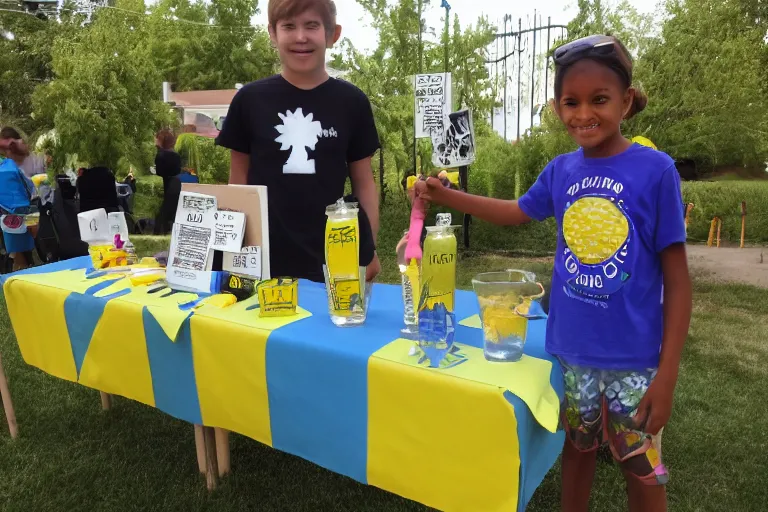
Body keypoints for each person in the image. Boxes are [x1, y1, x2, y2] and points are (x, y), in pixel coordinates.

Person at [414, 35, 692, 512]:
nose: (584, 113)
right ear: (557, 106)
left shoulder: (656, 170)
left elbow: (679, 282)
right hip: (572, 351)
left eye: (599, 100)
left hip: (636, 358)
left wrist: (666, 375)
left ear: (625, 101)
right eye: (571, 102)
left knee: (640, 464)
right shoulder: (561, 170)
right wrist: (446, 197)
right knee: (578, 449)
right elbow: (515, 211)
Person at [215, 0, 381, 283]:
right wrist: (236, 254)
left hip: (333, 263)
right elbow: (238, 181)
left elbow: (364, 182)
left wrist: (368, 250)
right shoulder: (249, 100)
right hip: (264, 265)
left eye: (312, 25)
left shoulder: (352, 103)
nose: (300, 36)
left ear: (332, 34)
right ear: (272, 33)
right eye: (289, 26)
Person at [0, 134, 38, 271]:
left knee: (17, 252)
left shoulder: (8, 165)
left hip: (9, 214)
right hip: (28, 209)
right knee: (29, 247)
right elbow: (31, 189)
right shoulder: (12, 165)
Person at [154, 129, 182, 234]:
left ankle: (161, 232)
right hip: (176, 186)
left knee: (163, 214)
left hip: (166, 186)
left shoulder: (161, 155)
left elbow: (159, 172)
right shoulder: (176, 155)